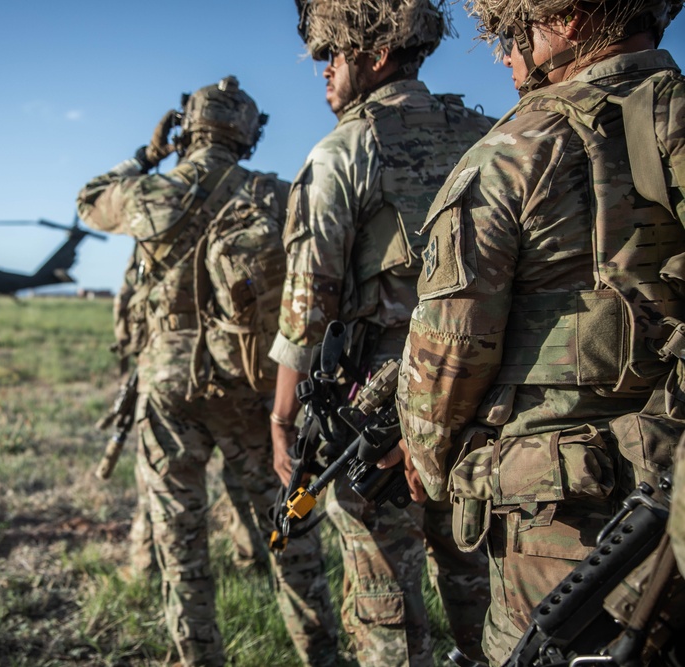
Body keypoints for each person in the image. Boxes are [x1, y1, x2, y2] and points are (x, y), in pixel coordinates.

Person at [395, 0, 685, 662]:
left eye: (513, 30)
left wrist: (430, 461)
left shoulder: (519, 148)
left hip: (574, 535)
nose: (504, 53)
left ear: (572, 16)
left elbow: (447, 359)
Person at [77, 76, 339, 667]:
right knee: (290, 534)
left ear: (189, 127)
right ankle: (321, 656)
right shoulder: (273, 193)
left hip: (167, 390)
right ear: (247, 133)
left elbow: (88, 198)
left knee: (182, 544)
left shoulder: (148, 193)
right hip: (252, 387)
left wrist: (150, 153)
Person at [268, 1, 495, 664]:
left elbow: (309, 305)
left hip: (378, 416)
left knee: (388, 609)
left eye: (330, 57)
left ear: (370, 54)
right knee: (487, 594)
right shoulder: (492, 133)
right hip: (485, 405)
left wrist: (283, 417)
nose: (324, 74)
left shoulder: (344, 151)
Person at [109, 244, 269, 577]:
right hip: (243, 368)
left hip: (168, 369)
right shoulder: (245, 220)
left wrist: (133, 353)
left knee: (161, 480)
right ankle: (253, 557)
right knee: (250, 475)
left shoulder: (160, 231)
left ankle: (146, 563)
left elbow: (127, 305)